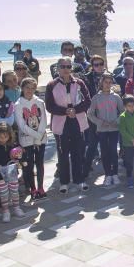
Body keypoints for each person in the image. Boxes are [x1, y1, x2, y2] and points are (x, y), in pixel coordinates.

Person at [45, 57, 91, 193]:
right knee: (63, 152)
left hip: (77, 120)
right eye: (63, 66)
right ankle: (64, 181)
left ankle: (79, 179)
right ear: (58, 68)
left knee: (78, 151)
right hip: (61, 122)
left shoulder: (79, 82)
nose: (66, 69)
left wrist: (75, 110)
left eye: (68, 66)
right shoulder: (51, 85)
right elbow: (49, 106)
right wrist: (65, 111)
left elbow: (87, 100)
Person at [87, 73, 123, 187]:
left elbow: (122, 112)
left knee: (113, 150)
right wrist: (100, 122)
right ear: (101, 83)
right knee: (104, 152)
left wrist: (116, 121)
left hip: (114, 129)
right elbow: (90, 114)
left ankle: (115, 174)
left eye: (109, 82)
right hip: (102, 130)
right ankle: (108, 174)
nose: (107, 85)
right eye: (105, 82)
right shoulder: (96, 98)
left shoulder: (116, 97)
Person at [14, 77, 48, 199]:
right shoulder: (18, 105)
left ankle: (40, 187)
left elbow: (44, 120)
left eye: (33, 88)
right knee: (28, 165)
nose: (30, 90)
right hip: (26, 139)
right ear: (22, 88)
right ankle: (32, 188)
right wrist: (35, 135)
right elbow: (22, 125)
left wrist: (39, 136)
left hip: (40, 138)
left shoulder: (39, 102)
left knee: (40, 163)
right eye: (27, 87)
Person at [0, 123, 27, 222]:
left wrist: (20, 161)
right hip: (1, 174)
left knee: (14, 191)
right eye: (1, 136)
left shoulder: (13, 145)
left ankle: (17, 207)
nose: (3, 138)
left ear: (10, 135)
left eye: (6, 136)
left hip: (12, 172)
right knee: (4, 193)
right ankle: (5, 211)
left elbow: (20, 155)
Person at [82, 55, 108, 179]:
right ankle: (85, 169)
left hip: (108, 114)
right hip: (93, 115)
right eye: (96, 65)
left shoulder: (109, 76)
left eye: (101, 64)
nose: (99, 67)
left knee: (106, 144)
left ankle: (109, 170)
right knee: (92, 144)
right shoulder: (86, 79)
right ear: (92, 66)